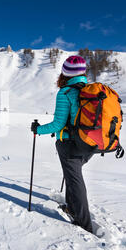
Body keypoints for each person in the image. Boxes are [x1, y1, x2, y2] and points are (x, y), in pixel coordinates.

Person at [31, 55, 94, 233]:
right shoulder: (90, 90)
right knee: (73, 174)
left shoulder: (66, 92)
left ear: (65, 73)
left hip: (70, 144)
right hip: (90, 143)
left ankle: (84, 224)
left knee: (75, 180)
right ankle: (72, 209)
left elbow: (58, 124)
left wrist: (38, 130)